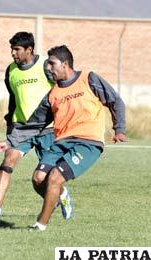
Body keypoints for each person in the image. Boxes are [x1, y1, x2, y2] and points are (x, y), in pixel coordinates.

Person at [10, 45, 126, 231]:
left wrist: (119, 128)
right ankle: (59, 195)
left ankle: (40, 225)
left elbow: (115, 101)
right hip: (61, 142)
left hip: (88, 143)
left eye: (52, 64)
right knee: (38, 178)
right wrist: (9, 142)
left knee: (55, 177)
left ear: (65, 64)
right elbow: (34, 123)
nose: (48, 68)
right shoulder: (53, 93)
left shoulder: (89, 79)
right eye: (47, 65)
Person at [0, 32, 73, 222]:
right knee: (7, 163)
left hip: (48, 128)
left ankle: (60, 195)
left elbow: (62, 90)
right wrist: (10, 130)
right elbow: (13, 100)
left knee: (43, 178)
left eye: (17, 49)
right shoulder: (11, 71)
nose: (13, 53)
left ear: (29, 50)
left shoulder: (46, 66)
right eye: (12, 49)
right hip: (22, 128)